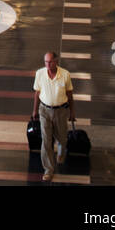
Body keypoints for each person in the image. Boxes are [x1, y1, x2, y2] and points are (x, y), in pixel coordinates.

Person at [32, 50, 75, 182]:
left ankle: (61, 153)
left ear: (56, 61)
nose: (48, 64)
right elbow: (37, 93)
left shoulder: (65, 75)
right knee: (46, 140)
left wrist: (72, 112)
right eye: (46, 61)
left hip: (61, 111)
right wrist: (34, 111)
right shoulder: (40, 74)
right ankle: (48, 169)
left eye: (50, 62)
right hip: (44, 110)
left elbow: (70, 95)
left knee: (62, 138)